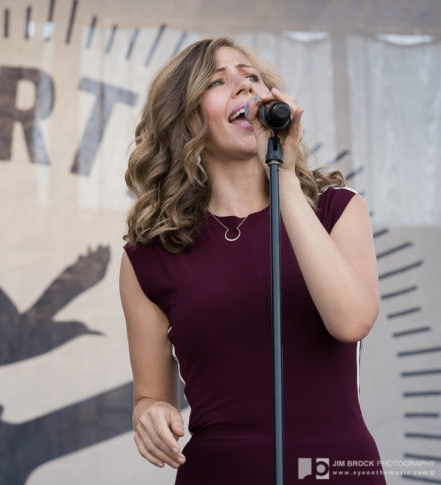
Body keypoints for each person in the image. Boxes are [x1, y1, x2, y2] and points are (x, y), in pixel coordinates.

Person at [119, 37, 385, 484]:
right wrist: (151, 412)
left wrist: (282, 177)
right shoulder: (149, 256)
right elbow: (150, 395)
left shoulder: (335, 209)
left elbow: (352, 322)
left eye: (252, 77)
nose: (244, 87)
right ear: (184, 118)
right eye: (219, 81)